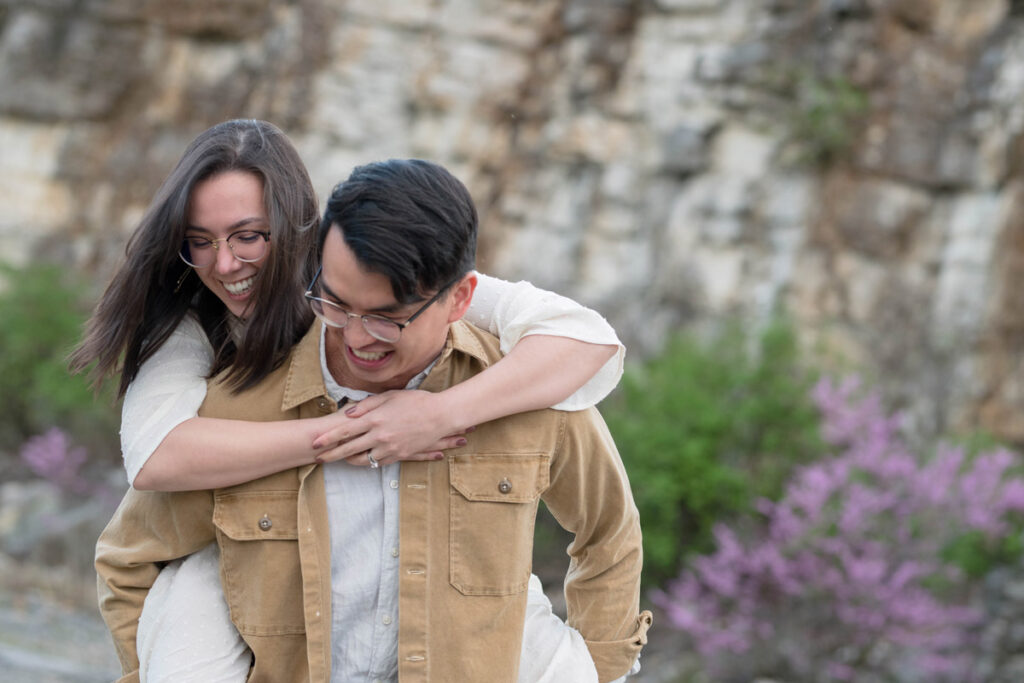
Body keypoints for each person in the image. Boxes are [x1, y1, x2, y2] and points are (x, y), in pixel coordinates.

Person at [72, 120, 625, 680]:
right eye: (200, 241)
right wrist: (344, 435)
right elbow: (152, 477)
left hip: (479, 638)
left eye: (248, 236)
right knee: (196, 586)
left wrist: (439, 413)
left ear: (296, 235)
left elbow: (587, 340)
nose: (225, 264)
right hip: (255, 595)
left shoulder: (479, 343)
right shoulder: (201, 353)